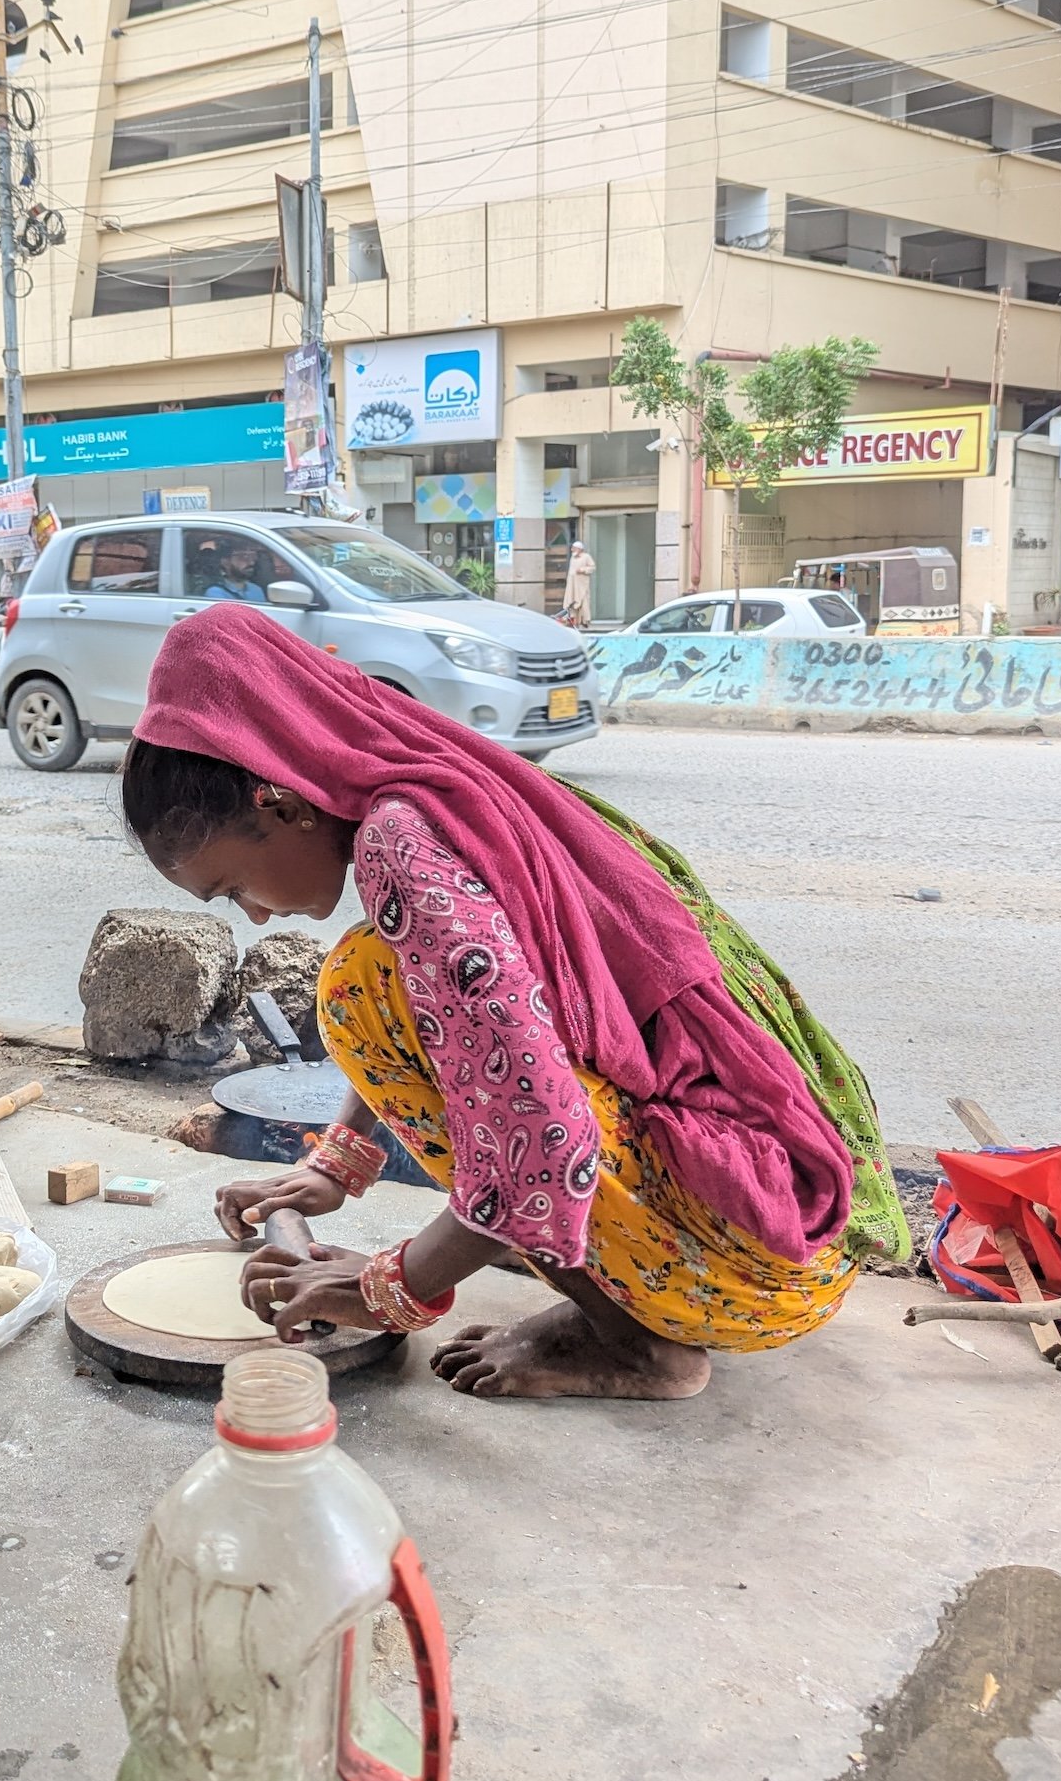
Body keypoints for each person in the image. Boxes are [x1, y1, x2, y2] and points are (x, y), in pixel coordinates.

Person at [118, 606, 907, 1403]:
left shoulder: (403, 846)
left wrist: (386, 1289)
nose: (252, 915)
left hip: (755, 1263)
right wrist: (336, 1165)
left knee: (357, 982)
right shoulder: (452, 788)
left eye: (232, 888)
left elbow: (537, 1139)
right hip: (795, 1230)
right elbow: (450, 1011)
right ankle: (594, 1278)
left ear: (283, 806)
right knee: (375, 976)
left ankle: (638, 1347)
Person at [559, 539, 595, 627]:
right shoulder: (573, 558)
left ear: (579, 549)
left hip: (582, 585)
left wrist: (582, 570)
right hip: (572, 585)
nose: (572, 550)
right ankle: (573, 620)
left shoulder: (586, 557)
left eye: (574, 548)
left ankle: (585, 620)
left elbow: (592, 567)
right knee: (572, 601)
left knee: (583, 602)